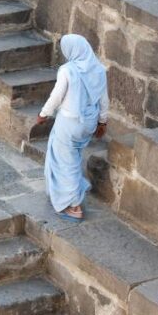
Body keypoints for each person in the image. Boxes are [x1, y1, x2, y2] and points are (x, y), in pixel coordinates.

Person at [36, 34, 109, 221]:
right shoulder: (99, 69)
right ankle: (71, 190)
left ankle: (73, 204)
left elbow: (56, 96)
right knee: (74, 156)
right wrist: (102, 122)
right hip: (89, 123)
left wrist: (44, 114)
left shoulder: (68, 70)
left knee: (64, 160)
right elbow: (104, 100)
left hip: (70, 122)